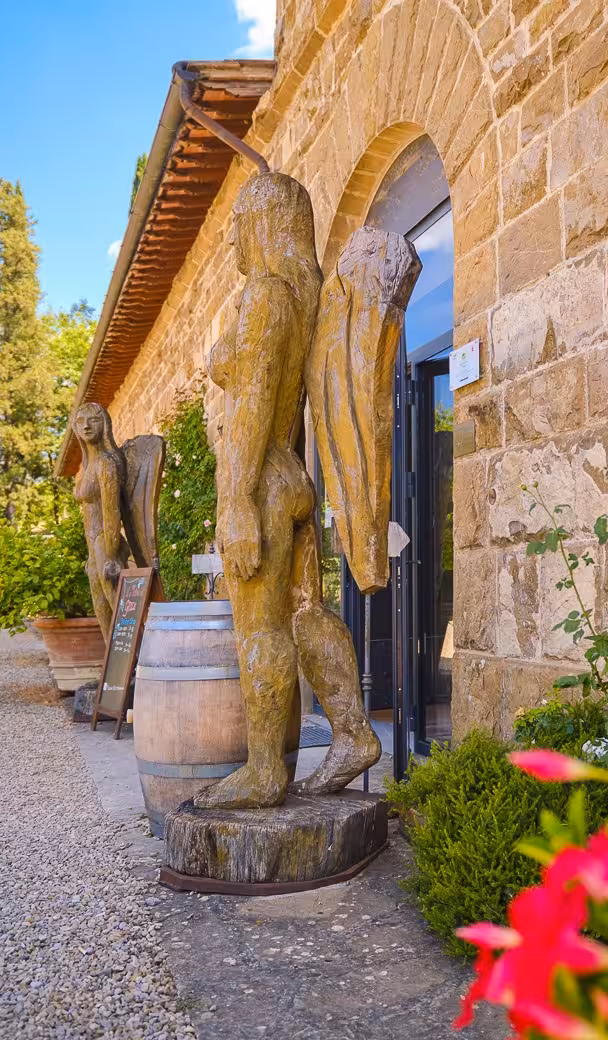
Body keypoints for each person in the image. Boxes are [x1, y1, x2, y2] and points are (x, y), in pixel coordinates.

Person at [196, 171, 380, 810]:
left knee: (261, 629)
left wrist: (236, 500)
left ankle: (266, 770)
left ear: (261, 223)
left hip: (263, 477)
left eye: (238, 226)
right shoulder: (308, 295)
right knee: (305, 612)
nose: (231, 245)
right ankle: (353, 733)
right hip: (295, 478)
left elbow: (253, 402)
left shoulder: (266, 295)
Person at [71, 401, 129, 639]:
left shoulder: (106, 462)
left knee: (117, 604)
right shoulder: (88, 464)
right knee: (100, 606)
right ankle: (111, 666)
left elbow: (111, 511)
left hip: (105, 542)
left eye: (93, 420)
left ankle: (134, 659)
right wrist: (91, 556)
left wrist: (112, 554)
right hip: (93, 546)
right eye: (80, 422)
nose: (86, 426)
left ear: (104, 424)